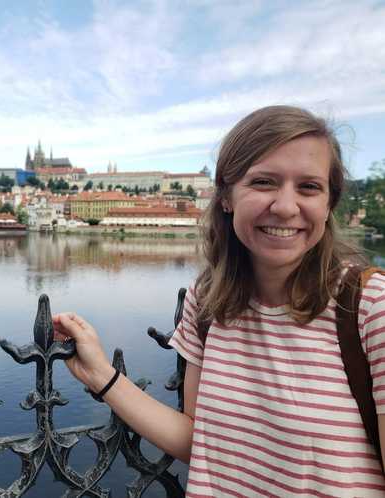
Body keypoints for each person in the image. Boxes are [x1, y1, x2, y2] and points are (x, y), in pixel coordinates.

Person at [53, 105, 385, 497]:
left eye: (309, 187)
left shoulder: (370, 307)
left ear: (329, 204)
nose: (285, 206)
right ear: (226, 196)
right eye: (263, 182)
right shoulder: (208, 301)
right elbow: (200, 442)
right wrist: (101, 376)